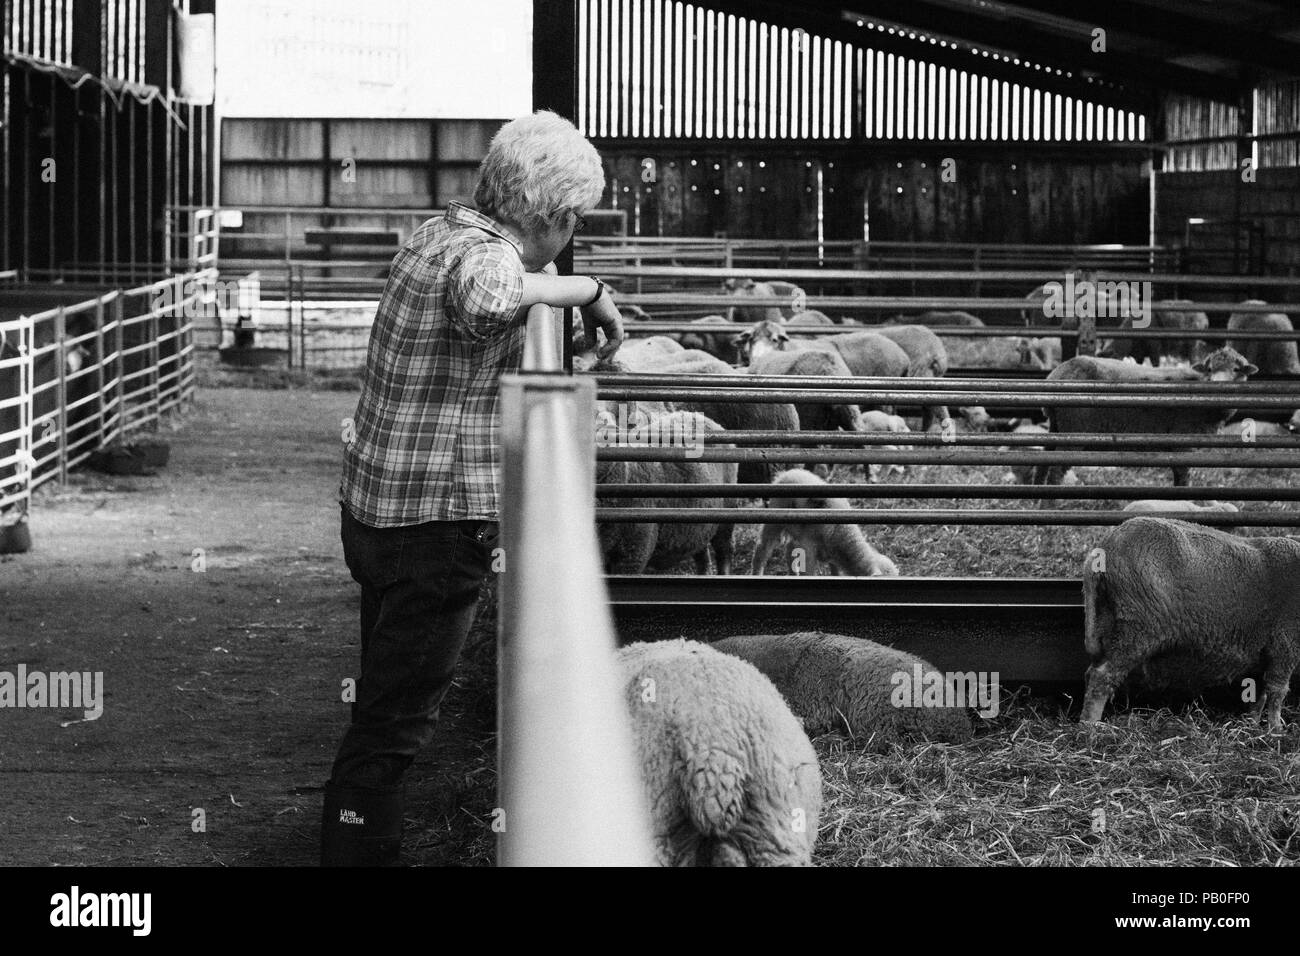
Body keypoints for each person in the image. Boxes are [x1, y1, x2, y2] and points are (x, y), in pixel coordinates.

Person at [322, 111, 623, 866]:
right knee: (394, 723)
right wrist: (585, 289)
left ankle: (355, 835)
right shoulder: (486, 259)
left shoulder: (433, 232)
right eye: (572, 221)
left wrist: (556, 289)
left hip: (376, 510)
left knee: (385, 692)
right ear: (546, 216)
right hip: (435, 525)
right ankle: (355, 853)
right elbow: (490, 296)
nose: (571, 234)